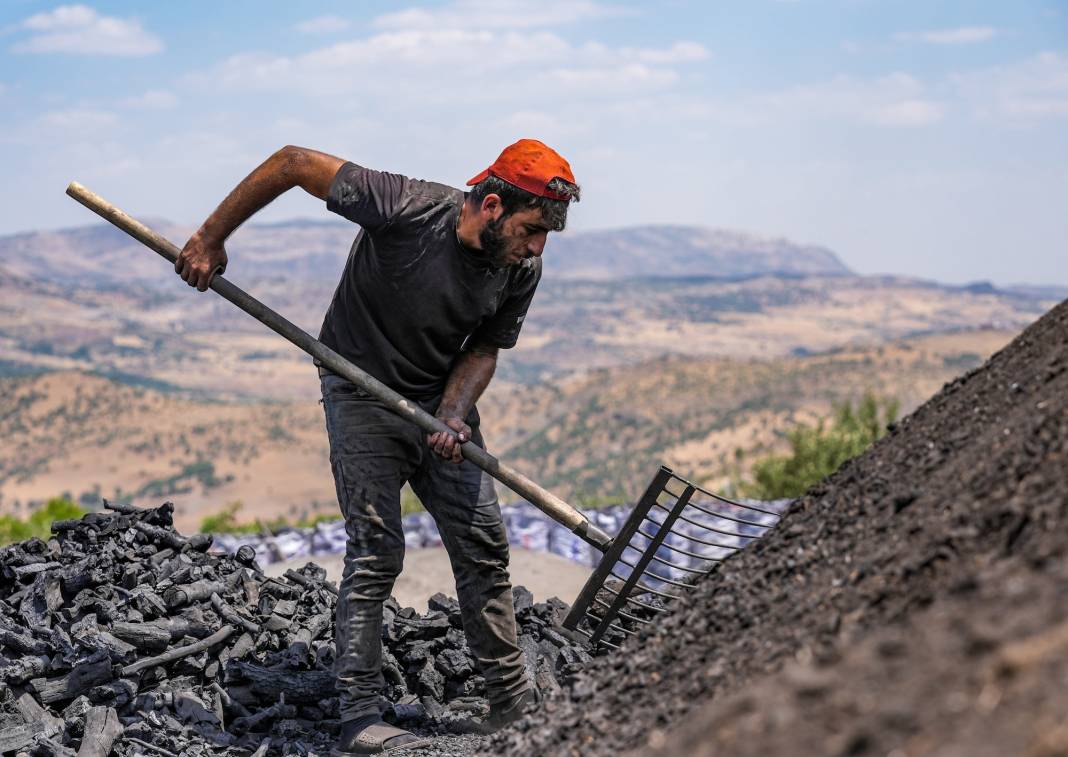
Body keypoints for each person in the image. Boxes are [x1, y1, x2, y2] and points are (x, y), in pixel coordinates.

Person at [175, 139, 580, 754]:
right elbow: (293, 163)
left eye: (545, 237)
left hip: (439, 403)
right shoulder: (405, 206)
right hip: (360, 392)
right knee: (377, 551)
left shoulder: (520, 267)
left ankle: (512, 705)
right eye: (530, 231)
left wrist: (452, 411)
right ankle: (360, 717)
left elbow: (485, 346)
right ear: (492, 206)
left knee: (484, 548)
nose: (536, 248)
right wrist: (209, 238)